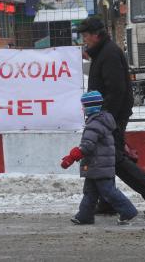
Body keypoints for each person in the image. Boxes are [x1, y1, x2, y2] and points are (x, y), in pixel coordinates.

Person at [77, 17, 145, 217]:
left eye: (86, 36)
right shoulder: (103, 52)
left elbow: (116, 90)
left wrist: (105, 118)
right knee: (107, 157)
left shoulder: (108, 54)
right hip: (108, 115)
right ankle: (108, 202)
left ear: (96, 35)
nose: (84, 40)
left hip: (111, 115)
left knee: (114, 158)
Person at [61, 91, 138, 225]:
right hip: (96, 165)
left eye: (84, 106)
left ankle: (128, 211)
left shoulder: (94, 124)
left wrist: (71, 157)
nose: (82, 108)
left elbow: (87, 146)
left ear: (90, 108)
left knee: (108, 191)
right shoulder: (101, 121)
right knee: (90, 192)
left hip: (98, 164)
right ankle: (84, 216)